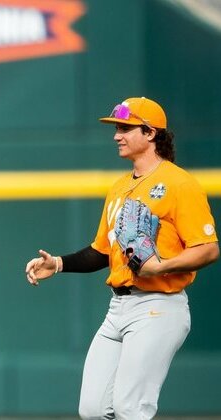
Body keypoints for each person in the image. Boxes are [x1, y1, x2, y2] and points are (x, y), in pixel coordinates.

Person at [24, 97, 219, 420]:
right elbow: (102, 250)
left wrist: (163, 266)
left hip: (158, 306)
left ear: (151, 133)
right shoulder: (118, 189)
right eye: (117, 128)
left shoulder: (178, 183)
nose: (117, 135)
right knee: (94, 410)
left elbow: (208, 248)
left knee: (131, 409)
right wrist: (58, 263)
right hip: (118, 309)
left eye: (126, 128)